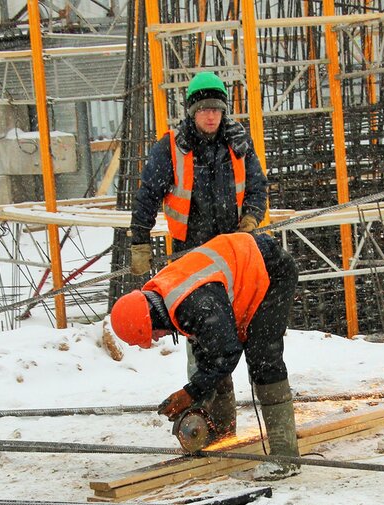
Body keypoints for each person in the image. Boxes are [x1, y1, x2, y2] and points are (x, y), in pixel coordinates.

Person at [128, 71, 270, 441]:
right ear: (192, 111)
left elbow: (257, 186)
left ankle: (233, 416)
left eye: (217, 109)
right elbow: (147, 196)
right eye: (204, 109)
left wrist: (251, 218)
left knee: (234, 334)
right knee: (204, 338)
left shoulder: (238, 144)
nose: (211, 116)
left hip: (233, 257)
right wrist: (140, 241)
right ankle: (213, 423)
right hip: (190, 260)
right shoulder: (171, 148)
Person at [110, 232, 300, 480]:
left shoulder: (194, 302)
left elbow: (226, 352)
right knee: (211, 358)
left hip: (271, 271)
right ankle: (223, 437)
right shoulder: (168, 297)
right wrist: (196, 392)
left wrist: (191, 392)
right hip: (247, 266)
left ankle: (286, 456)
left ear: (149, 322)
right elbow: (208, 346)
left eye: (152, 335)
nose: (157, 339)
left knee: (263, 357)